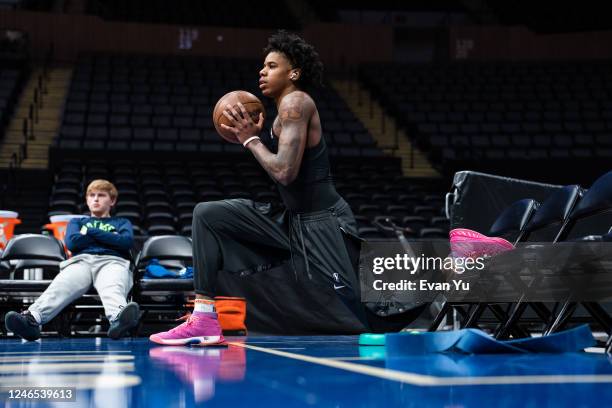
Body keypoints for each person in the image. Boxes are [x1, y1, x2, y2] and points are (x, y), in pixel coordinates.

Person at [150, 30, 414, 346]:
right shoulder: (278, 117)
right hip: (292, 219)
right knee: (208, 215)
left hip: (323, 220)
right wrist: (254, 138)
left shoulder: (296, 103)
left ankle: (433, 297)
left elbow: (285, 173)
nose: (262, 71)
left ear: (294, 73)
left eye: (272, 65)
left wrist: (251, 140)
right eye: (263, 66)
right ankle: (204, 318)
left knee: (363, 317)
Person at [4, 179, 139, 341]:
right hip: (81, 261)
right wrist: (111, 238)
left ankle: (118, 319)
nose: (95, 199)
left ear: (112, 200)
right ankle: (32, 320)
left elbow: (125, 242)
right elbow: (73, 242)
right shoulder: (77, 221)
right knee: (60, 286)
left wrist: (90, 233)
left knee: (112, 286)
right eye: (92, 195)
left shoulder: (121, 222)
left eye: (101, 195)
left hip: (112, 261)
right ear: (87, 200)